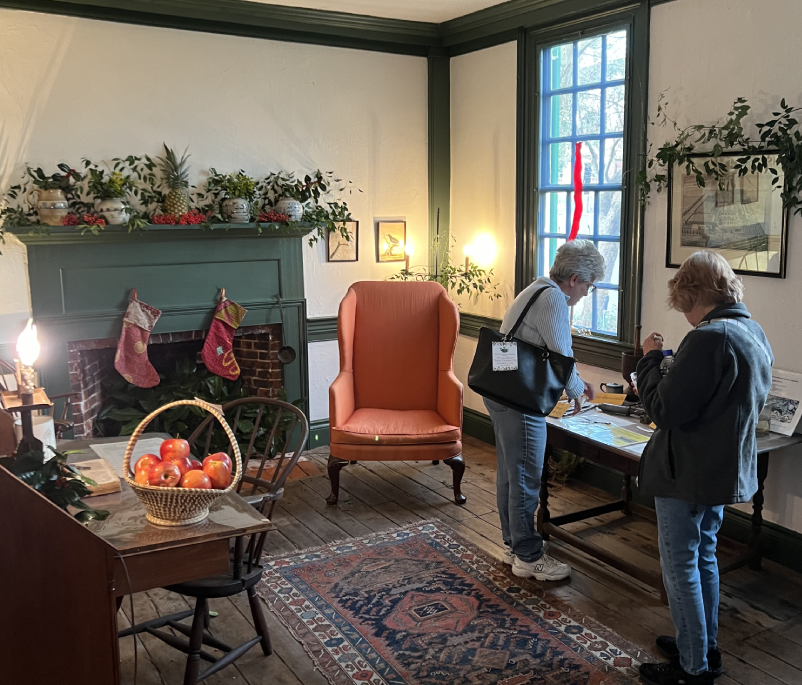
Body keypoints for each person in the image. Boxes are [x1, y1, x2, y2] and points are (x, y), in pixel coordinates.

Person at [636, 252, 773, 685]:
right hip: (720, 469)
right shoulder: (752, 331)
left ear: (694, 294)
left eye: (685, 306)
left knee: (680, 565)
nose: (686, 317)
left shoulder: (709, 338)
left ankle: (693, 668)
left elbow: (663, 410)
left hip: (687, 472)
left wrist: (651, 360)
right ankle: (703, 643)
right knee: (705, 557)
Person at [485, 239, 604, 581]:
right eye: (588, 285)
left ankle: (513, 545)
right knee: (524, 478)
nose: (585, 292)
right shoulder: (553, 298)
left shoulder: (536, 288)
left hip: (502, 392)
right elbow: (561, 353)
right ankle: (528, 556)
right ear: (574, 278)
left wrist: (576, 386)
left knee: (510, 474)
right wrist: (579, 393)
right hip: (521, 400)